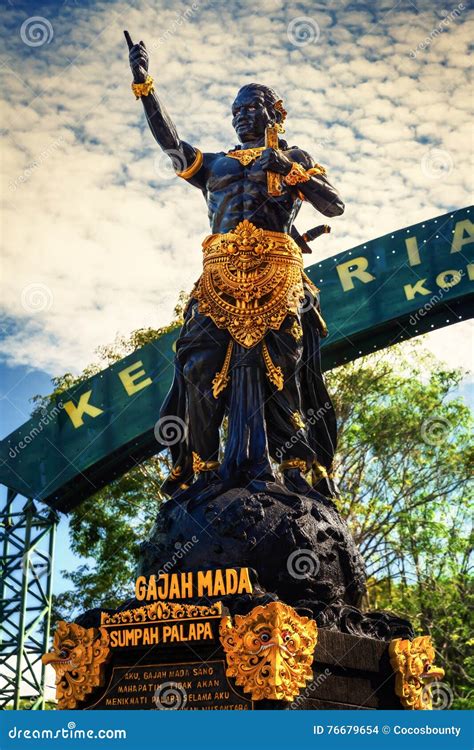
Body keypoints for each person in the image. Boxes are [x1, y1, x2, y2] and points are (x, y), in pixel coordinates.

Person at [125, 32, 345, 498]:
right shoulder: (215, 165)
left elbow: (334, 207)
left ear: (272, 113)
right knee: (198, 367)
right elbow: (170, 142)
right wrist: (146, 87)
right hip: (218, 278)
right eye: (235, 111)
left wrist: (285, 163)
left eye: (249, 108)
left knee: (281, 369)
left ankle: (293, 464)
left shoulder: (295, 157)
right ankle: (203, 467)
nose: (241, 115)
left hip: (277, 276)